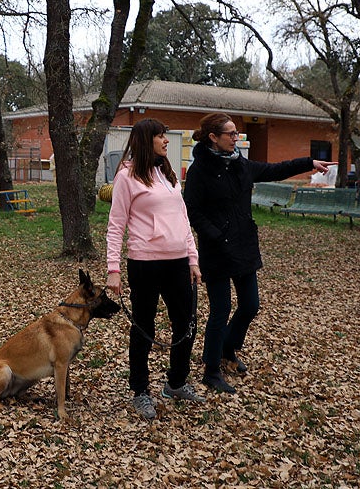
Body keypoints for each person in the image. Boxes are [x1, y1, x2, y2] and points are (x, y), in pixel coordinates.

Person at [183, 112, 335, 394]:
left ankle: (227, 348)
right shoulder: (199, 170)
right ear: (213, 138)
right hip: (216, 250)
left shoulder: (240, 164)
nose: (235, 138)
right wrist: (214, 234)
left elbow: (273, 170)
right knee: (220, 310)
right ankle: (211, 370)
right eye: (230, 134)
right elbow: (191, 209)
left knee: (250, 305)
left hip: (243, 246)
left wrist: (309, 163)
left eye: (236, 133)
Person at [106, 118, 203, 421]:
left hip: (177, 264)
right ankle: (140, 390)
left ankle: (175, 382)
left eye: (165, 135)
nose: (165, 141)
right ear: (145, 141)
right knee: (144, 329)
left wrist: (193, 258)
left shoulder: (168, 175)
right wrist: (113, 268)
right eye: (160, 136)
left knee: (186, 324)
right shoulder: (127, 177)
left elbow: (183, 221)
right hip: (145, 264)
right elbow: (115, 225)